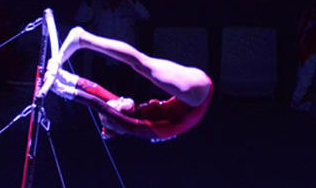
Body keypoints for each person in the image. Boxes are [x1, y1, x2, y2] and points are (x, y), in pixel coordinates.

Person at [41, 25, 213, 142]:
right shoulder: (136, 126)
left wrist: (64, 78)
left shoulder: (128, 112)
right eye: (118, 103)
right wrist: (65, 91)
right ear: (119, 120)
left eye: (117, 99)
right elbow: (95, 103)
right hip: (196, 95)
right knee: (140, 64)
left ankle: (80, 40)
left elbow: (95, 92)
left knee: (141, 64)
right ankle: (83, 39)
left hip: (191, 100)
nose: (120, 98)